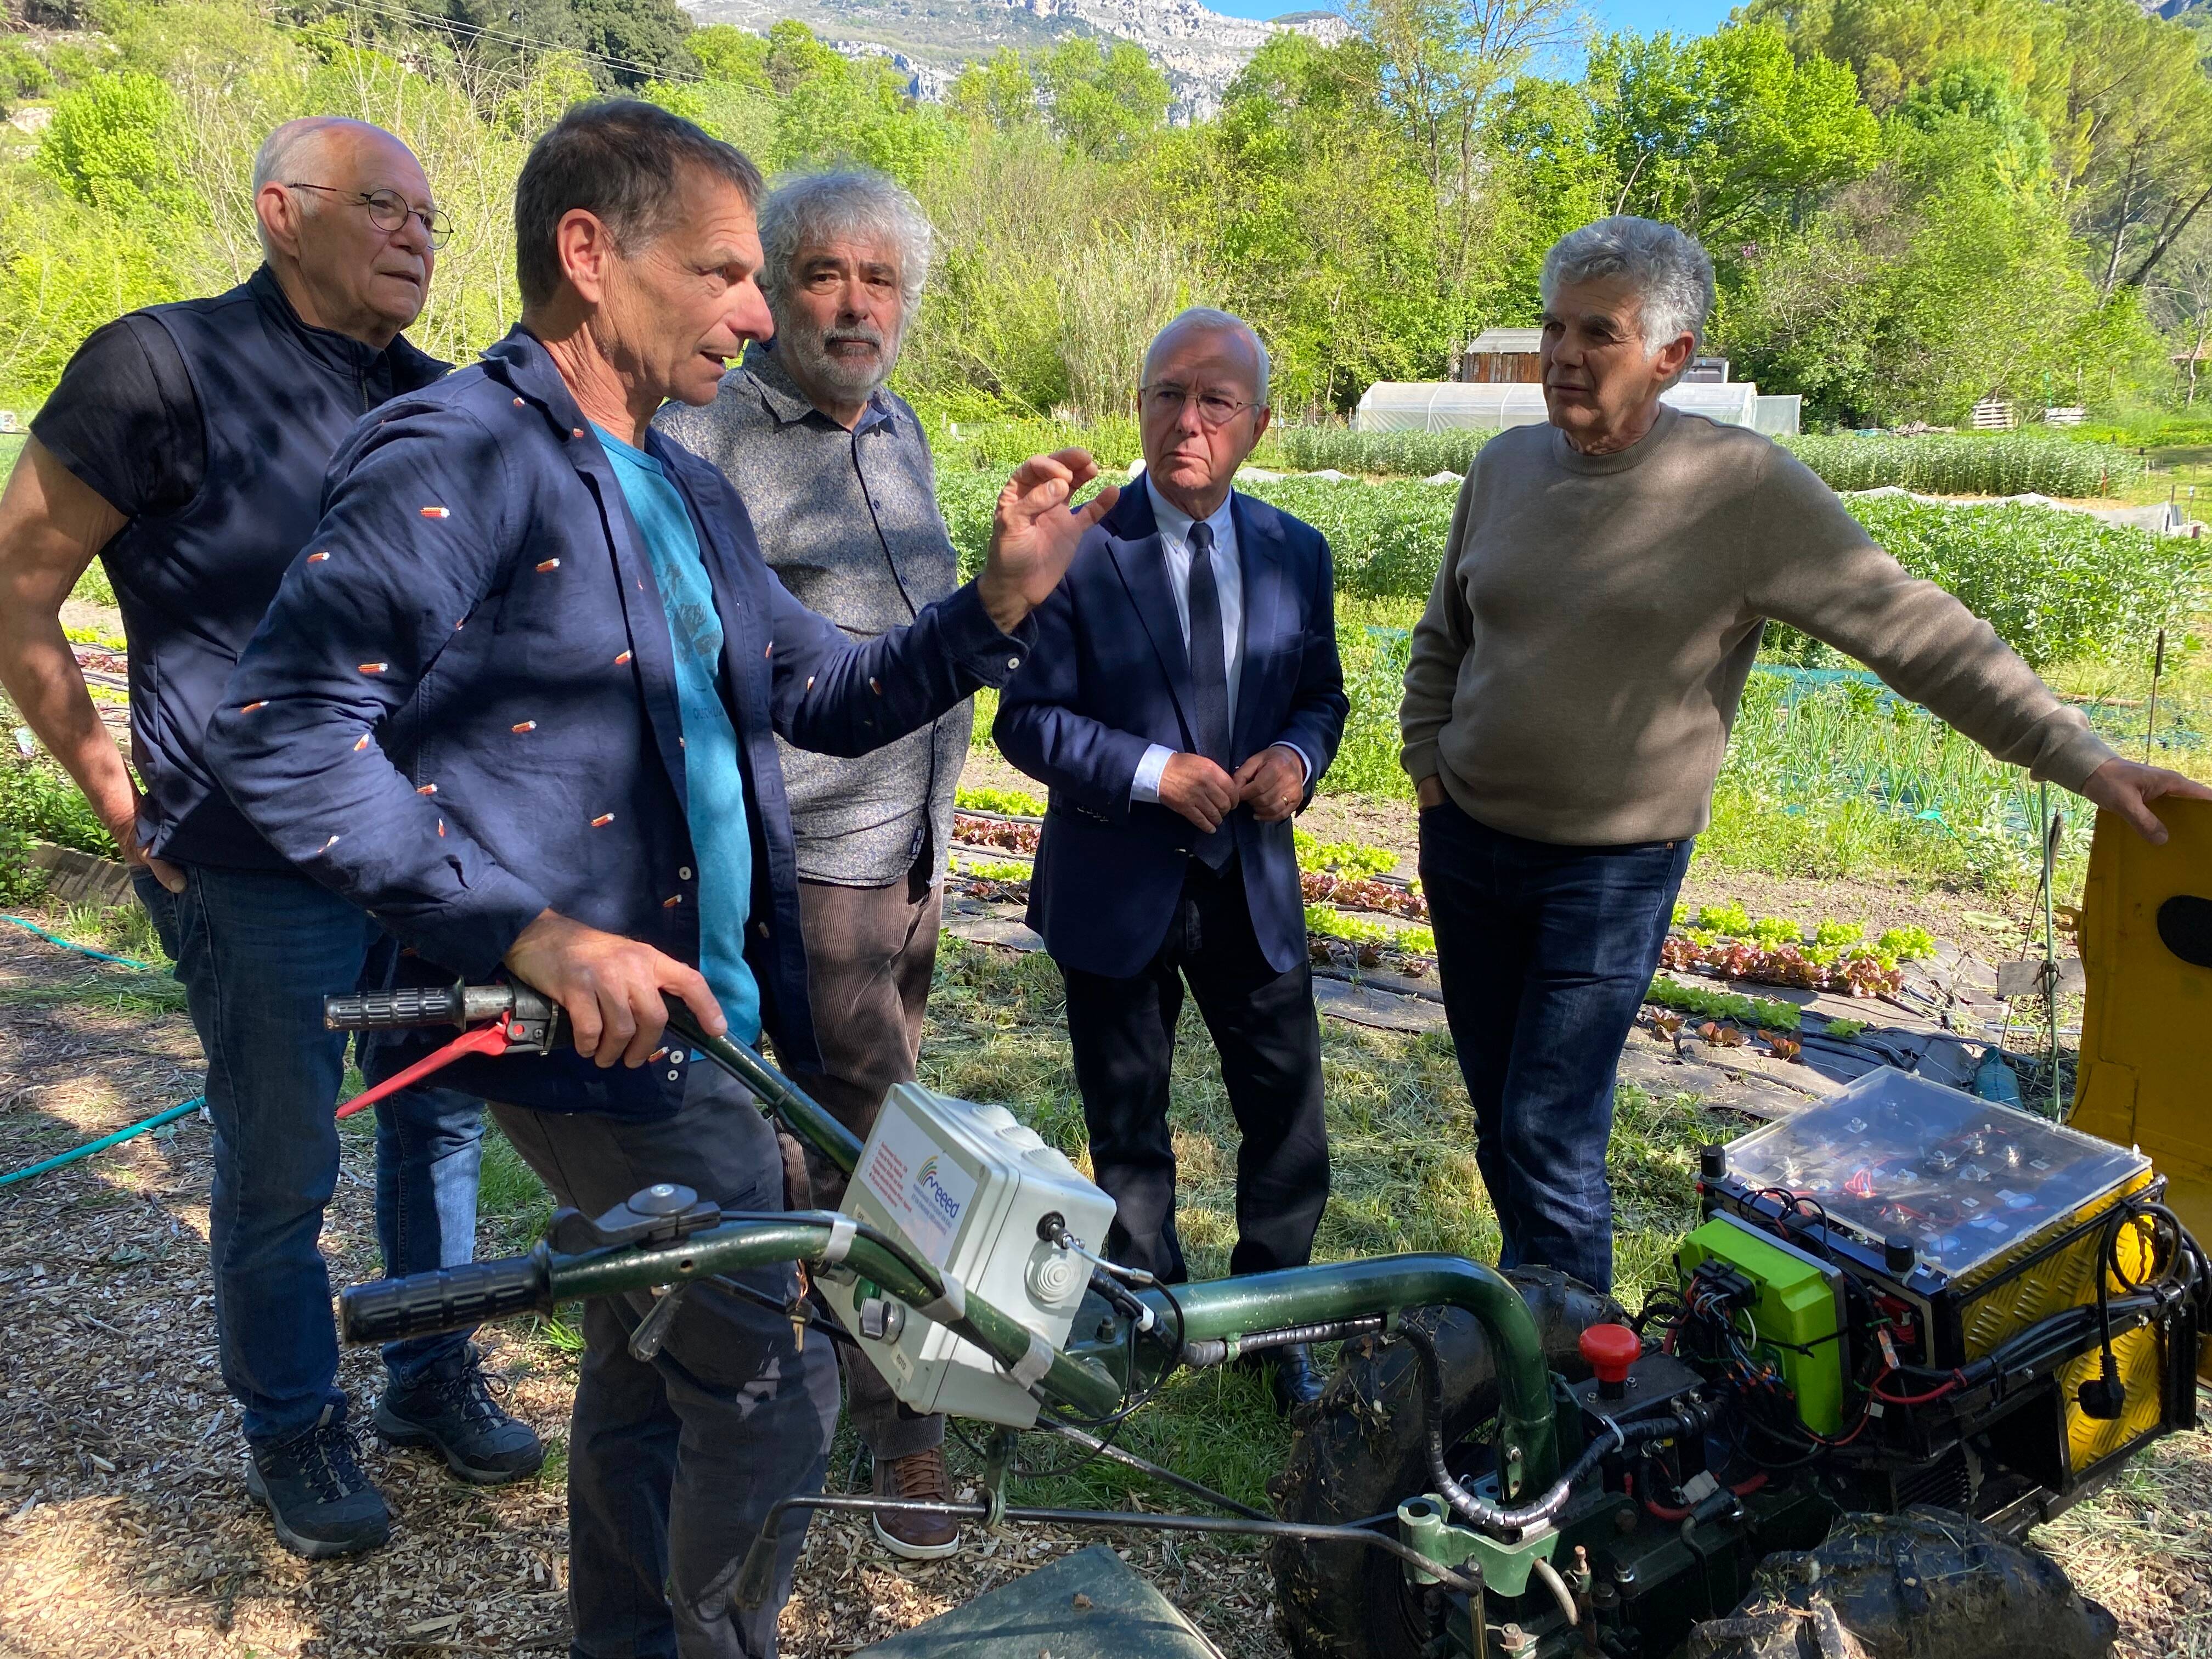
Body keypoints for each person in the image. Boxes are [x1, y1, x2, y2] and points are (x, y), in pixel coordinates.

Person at [202, 100, 1114, 1658]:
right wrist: (532, 934)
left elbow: (818, 692)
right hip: (584, 1033)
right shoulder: (461, 454)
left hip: (711, 1009)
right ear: (589, 256)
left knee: (650, 1339)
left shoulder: (678, 485)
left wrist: (991, 606)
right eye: (725, 274)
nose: (761, 312)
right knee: (772, 1372)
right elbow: (284, 734)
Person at [1400, 215, 2212, 1295]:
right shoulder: (1503, 468)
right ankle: (1525, 1314)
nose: (1561, 356)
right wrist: (1427, 761)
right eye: (1552, 329)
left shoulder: (1741, 490)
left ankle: (1566, 1383)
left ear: (1672, 355)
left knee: (1549, 1125)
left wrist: (2081, 757)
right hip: (1466, 843)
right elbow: (1446, 633)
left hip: (1606, 872)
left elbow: (1912, 629)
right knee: (1498, 1109)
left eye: (1597, 332)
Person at [0, 116, 539, 1560]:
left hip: (425, 869)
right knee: (286, 1161)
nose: (419, 233)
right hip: (252, 872)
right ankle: (295, 1429)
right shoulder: (159, 369)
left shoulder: (439, 400)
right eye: (383, 205)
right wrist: (117, 796)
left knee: (436, 1121)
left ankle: (434, 1375)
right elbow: (19, 586)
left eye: (430, 213)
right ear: (280, 211)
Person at [654, 170, 966, 1560]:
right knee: (883, 1135)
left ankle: (811, 1333)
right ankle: (910, 1423)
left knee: (846, 1119)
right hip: (811, 864)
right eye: (826, 275)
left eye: (881, 282)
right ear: (771, 286)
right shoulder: (705, 432)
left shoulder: (897, 426)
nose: (855, 305)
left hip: (914, 853)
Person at [995, 308, 1348, 1413]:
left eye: (1215, 402)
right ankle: (1149, 1313)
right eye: (1165, 396)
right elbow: (1026, 722)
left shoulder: (1297, 552)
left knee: (1286, 1121)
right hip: (1116, 886)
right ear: (1140, 405)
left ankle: (1269, 1320)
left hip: (1250, 884)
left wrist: (1298, 753)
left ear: (1259, 425)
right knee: (1128, 1125)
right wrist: (1154, 772)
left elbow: (1322, 696)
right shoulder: (1083, 550)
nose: (1186, 421)